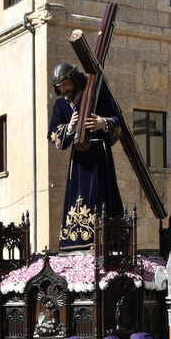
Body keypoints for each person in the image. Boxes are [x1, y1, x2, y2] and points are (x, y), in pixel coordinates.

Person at [47, 62, 124, 252]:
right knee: (78, 197)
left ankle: (105, 240)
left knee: (100, 196)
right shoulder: (60, 105)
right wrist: (69, 128)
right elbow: (53, 133)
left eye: (66, 84)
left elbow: (118, 122)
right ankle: (75, 243)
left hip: (99, 157)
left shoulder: (98, 94)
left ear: (75, 80)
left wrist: (102, 123)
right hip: (78, 160)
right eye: (59, 87)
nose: (64, 90)